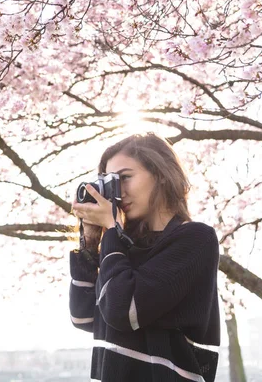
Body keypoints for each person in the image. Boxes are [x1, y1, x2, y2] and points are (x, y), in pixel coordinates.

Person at [70, 133, 220, 382]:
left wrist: (112, 232)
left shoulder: (195, 239)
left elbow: (123, 311)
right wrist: (91, 242)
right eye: (111, 182)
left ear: (160, 173)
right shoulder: (123, 246)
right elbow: (84, 317)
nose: (118, 192)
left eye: (125, 178)